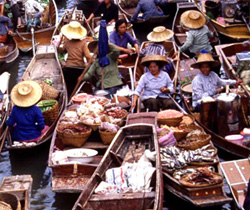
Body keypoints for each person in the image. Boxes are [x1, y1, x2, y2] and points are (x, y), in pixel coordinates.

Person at [61, 21, 92, 97]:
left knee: (69, 87)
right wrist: (89, 63)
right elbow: (88, 56)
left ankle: (68, 97)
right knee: (79, 86)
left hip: (68, 68)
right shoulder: (83, 43)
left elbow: (63, 50)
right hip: (80, 68)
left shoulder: (67, 42)